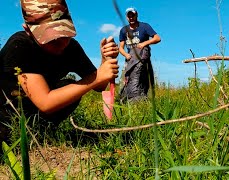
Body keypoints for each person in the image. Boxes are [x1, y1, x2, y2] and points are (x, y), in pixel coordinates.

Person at [0, 0, 119, 146]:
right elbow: (46, 102)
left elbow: (99, 86)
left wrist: (104, 61)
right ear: (28, 30)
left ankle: (42, 134)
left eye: (64, 34)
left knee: (69, 86)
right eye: (50, 37)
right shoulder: (20, 46)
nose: (60, 42)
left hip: (34, 116)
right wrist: (96, 78)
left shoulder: (71, 48)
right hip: (6, 118)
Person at [118, 7, 161, 102]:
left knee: (145, 81)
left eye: (132, 15)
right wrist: (126, 55)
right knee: (126, 80)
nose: (131, 17)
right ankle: (124, 100)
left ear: (136, 15)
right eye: (129, 16)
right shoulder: (123, 30)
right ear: (126, 17)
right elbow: (120, 47)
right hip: (130, 59)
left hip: (143, 59)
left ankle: (145, 101)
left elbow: (157, 38)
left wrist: (144, 43)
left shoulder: (144, 26)